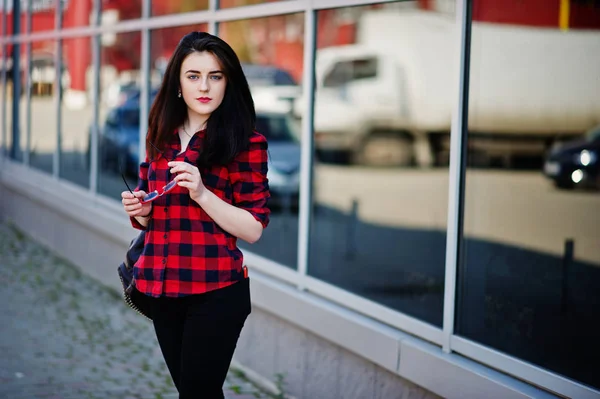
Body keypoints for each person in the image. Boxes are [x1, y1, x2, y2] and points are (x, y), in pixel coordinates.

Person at [120, 31, 270, 398]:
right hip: (162, 289)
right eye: (193, 76)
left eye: (215, 76)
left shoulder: (244, 142)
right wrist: (141, 210)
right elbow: (150, 216)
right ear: (177, 83)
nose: (205, 86)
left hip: (215, 292)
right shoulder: (161, 134)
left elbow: (253, 229)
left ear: (227, 82)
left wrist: (202, 193)